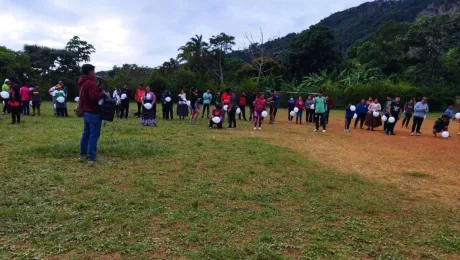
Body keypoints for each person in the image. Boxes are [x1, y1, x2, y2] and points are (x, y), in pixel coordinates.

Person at [79, 64, 108, 163]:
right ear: (90, 72)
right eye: (94, 71)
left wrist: (98, 84)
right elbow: (93, 96)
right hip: (93, 112)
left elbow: (89, 92)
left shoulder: (83, 82)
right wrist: (104, 94)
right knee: (94, 135)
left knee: (86, 134)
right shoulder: (90, 83)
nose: (95, 73)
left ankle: (83, 154)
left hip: (86, 112)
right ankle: (91, 157)